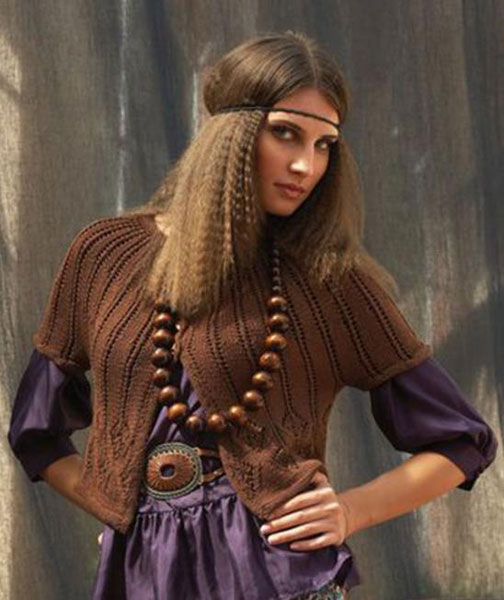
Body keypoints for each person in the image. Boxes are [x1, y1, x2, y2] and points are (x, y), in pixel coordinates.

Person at [7, 31, 497, 600]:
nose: (306, 164)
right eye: (286, 133)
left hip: (279, 574)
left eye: (324, 144)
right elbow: (35, 430)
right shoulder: (104, 254)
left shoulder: (329, 280)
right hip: (143, 573)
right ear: (231, 135)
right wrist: (116, 507)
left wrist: (350, 511)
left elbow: (462, 441)